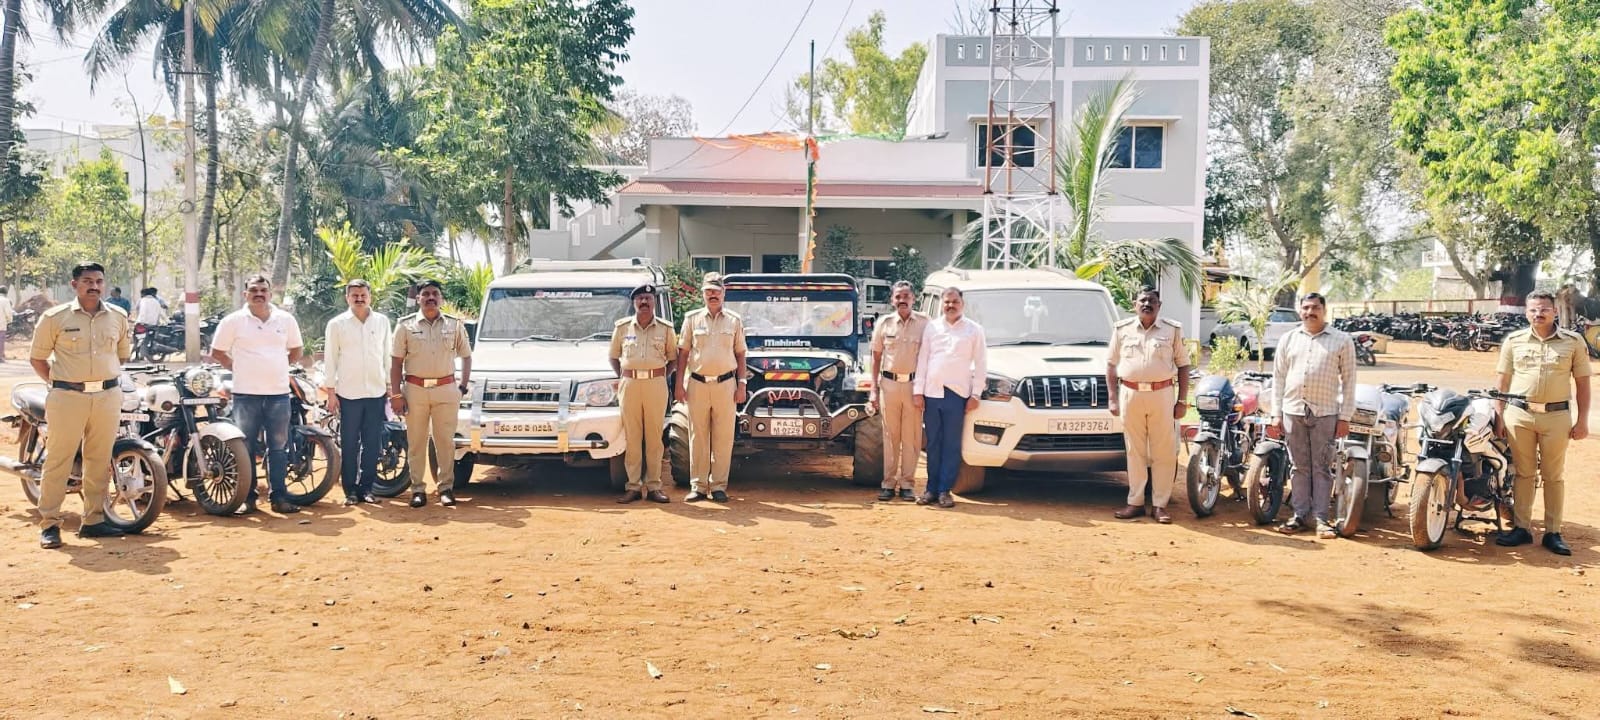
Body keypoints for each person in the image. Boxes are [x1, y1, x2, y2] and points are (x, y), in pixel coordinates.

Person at [28, 262, 132, 548]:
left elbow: (121, 356)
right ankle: (50, 524)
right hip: (67, 398)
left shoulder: (118, 317)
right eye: (87, 281)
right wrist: (62, 384)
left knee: (99, 460)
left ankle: (94, 521)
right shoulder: (54, 317)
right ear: (74, 285)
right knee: (58, 461)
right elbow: (37, 359)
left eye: (99, 281)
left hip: (107, 397)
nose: (94, 286)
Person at [1494, 290, 1592, 556]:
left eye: (1544, 309)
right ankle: (1522, 528)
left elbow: (1583, 384)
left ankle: (1553, 532)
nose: (1538, 314)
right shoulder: (1513, 341)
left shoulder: (1572, 342)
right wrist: (1499, 415)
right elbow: (1502, 381)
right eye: (1533, 310)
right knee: (1523, 473)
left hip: (1556, 417)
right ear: (1527, 313)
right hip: (1519, 416)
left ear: (1555, 311)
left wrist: (1582, 421)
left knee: (1553, 475)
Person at [211, 274, 305, 516]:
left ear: (270, 294)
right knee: (246, 448)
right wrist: (237, 367)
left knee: (278, 448)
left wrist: (279, 365)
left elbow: (296, 350)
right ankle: (248, 498)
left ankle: (279, 498)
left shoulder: (285, 319)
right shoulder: (233, 321)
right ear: (245, 294)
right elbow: (217, 351)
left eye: (263, 290)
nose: (259, 294)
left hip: (278, 394)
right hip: (246, 395)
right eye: (254, 290)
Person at [1271, 292, 1357, 539]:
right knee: (1299, 467)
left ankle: (1320, 519)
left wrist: (1345, 417)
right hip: (1293, 410)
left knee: (1321, 467)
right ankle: (1299, 515)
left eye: (1315, 308)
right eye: (1306, 308)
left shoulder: (1342, 340)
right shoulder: (1288, 339)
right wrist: (1276, 414)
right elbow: (1278, 379)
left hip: (1325, 413)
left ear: (1324, 310)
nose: (1310, 312)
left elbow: (1349, 381)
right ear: (1300, 311)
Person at [1106, 287, 1190, 524]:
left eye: (1152, 301)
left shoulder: (1172, 330)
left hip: (1161, 394)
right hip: (1130, 393)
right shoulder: (1122, 329)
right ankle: (1135, 502)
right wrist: (1112, 397)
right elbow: (1111, 364)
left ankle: (1160, 505)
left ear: (1159, 305)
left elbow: (1183, 365)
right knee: (1135, 451)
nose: (1147, 304)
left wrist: (1182, 400)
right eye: (1142, 300)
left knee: (1163, 451)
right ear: (1135, 304)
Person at [390, 279, 473, 508]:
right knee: (416, 442)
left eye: (435, 294)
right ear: (418, 298)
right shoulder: (405, 326)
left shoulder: (455, 325)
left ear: (441, 298)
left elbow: (466, 356)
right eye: (425, 294)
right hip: (415, 391)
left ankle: (445, 488)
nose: (430, 298)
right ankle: (418, 489)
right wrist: (396, 395)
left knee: (445, 442)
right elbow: (396, 363)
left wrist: (462, 387)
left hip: (446, 390)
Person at [674, 273, 747, 503]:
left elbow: (741, 354)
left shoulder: (734, 321)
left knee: (723, 438)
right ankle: (698, 486)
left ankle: (718, 486)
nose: (712, 295)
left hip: (726, 385)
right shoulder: (692, 319)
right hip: (697, 384)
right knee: (698, 436)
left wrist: (742, 384)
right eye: (708, 291)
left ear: (724, 293)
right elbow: (683, 353)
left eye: (716, 291)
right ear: (702, 294)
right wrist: (679, 385)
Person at [913, 287, 986, 509]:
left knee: (951, 444)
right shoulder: (932, 327)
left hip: (957, 394)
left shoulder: (974, 330)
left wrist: (976, 394)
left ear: (962, 304)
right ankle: (931, 489)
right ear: (941, 304)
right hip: (932, 393)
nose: (950, 305)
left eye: (954, 302)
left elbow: (981, 364)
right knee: (933, 443)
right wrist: (918, 391)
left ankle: (945, 490)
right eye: (947, 302)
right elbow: (923, 360)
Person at [324, 279, 392, 506]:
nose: (360, 299)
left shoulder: (382, 322)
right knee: (350, 443)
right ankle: (350, 491)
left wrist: (390, 387)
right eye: (355, 295)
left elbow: (387, 355)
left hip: (376, 391)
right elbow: (330, 359)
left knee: (372, 443)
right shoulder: (337, 324)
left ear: (370, 297)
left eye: (363, 295)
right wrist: (331, 392)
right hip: (348, 393)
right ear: (347, 298)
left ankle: (367, 489)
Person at [609, 284, 677, 504]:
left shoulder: (665, 329)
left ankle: (655, 486)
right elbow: (613, 356)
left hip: (655, 385)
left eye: (648, 298)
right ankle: (633, 486)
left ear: (654, 301)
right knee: (633, 437)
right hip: (630, 385)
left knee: (654, 438)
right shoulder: (622, 328)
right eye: (640, 298)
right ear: (634, 302)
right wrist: (625, 375)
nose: (644, 302)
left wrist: (659, 375)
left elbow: (673, 359)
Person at [868, 280, 929, 501]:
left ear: (914, 298)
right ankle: (888, 483)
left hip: (914, 386)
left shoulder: (925, 324)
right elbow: (875, 358)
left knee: (911, 437)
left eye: (906, 296)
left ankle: (907, 484)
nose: (902, 300)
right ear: (892, 300)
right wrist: (873, 390)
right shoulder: (884, 324)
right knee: (890, 436)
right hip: (889, 385)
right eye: (898, 297)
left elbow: (930, 357)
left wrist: (924, 389)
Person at [0, 285, 13, 362]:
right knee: (1, 340)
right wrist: (9, 321)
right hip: (1, 324)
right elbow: (8, 313)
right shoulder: (6, 300)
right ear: (6, 293)